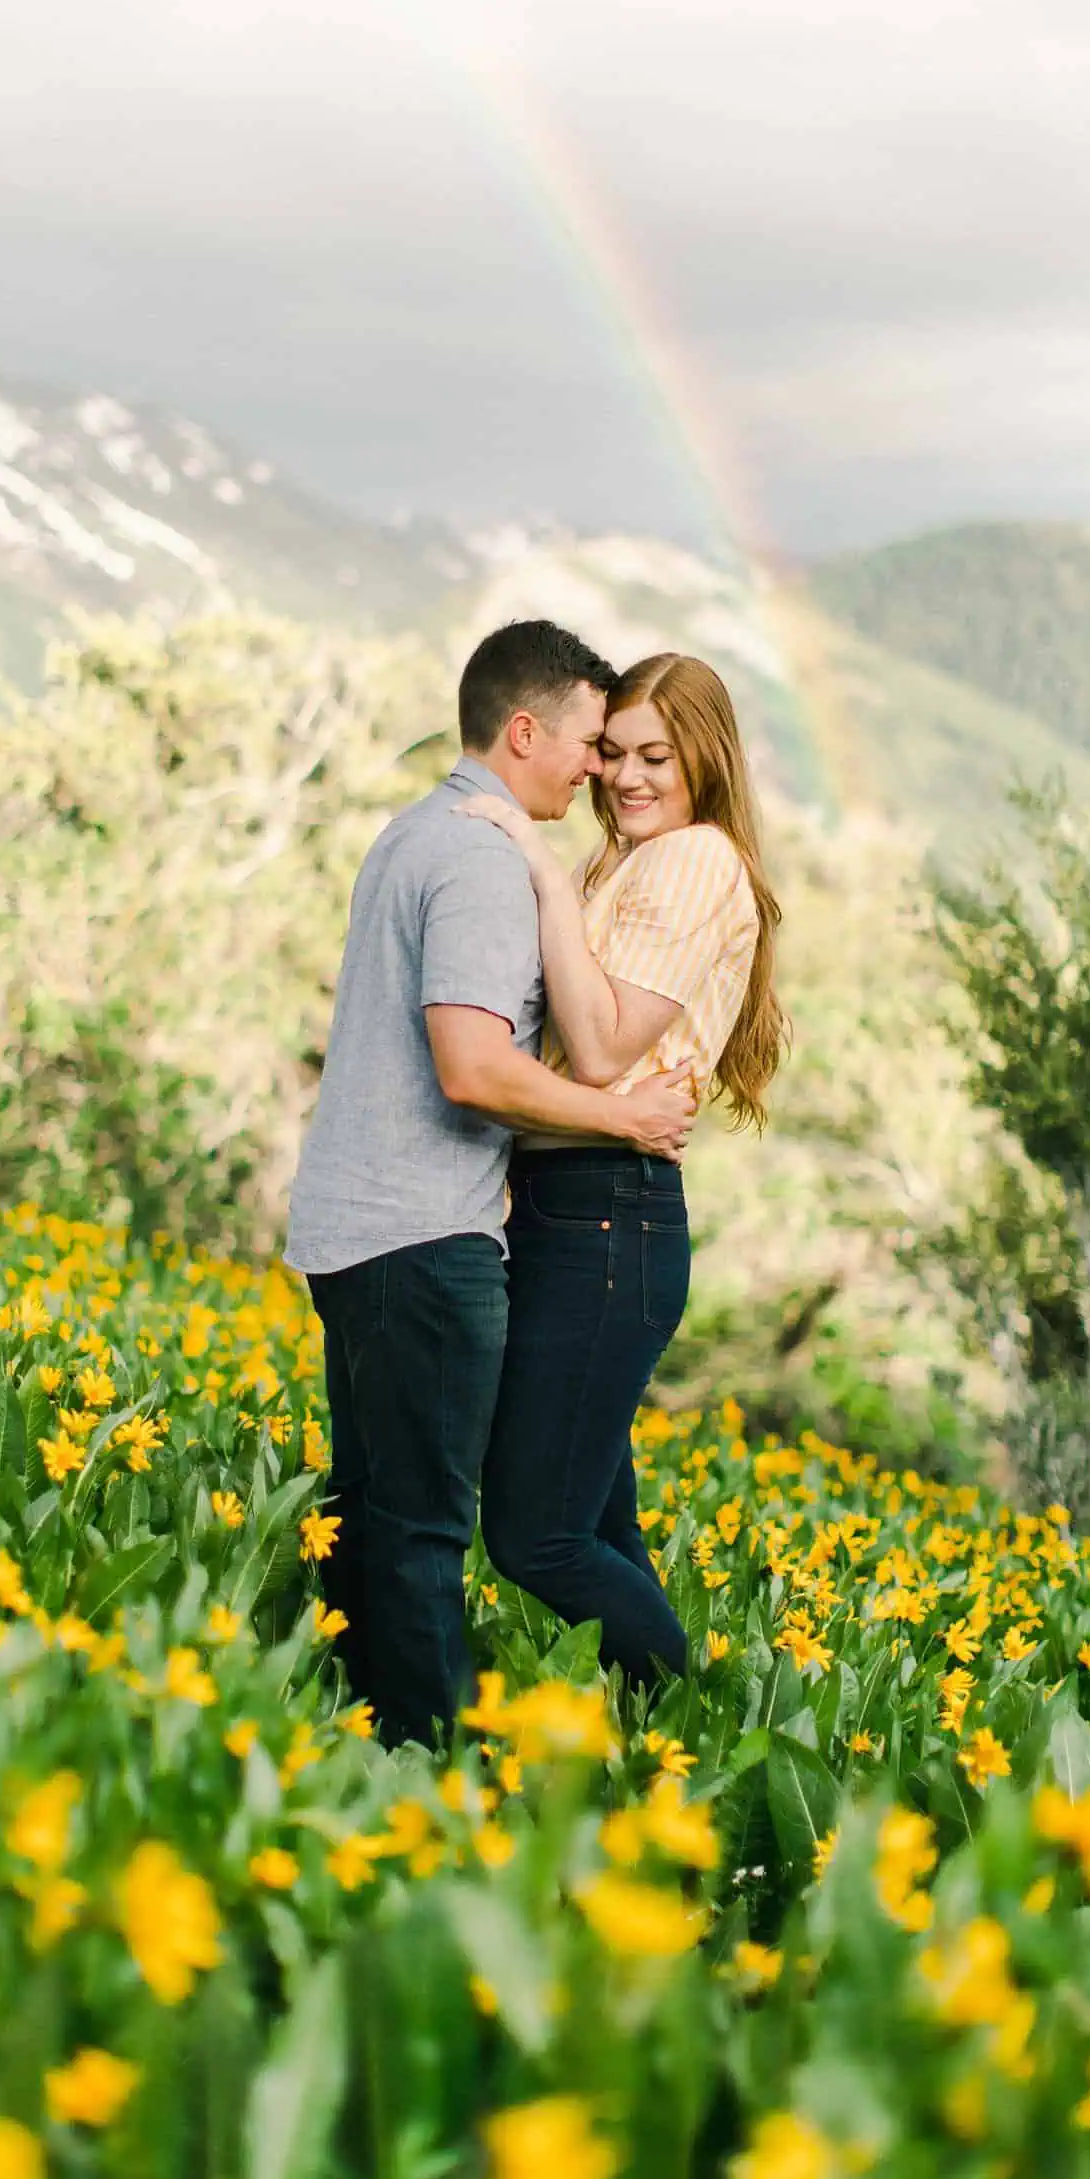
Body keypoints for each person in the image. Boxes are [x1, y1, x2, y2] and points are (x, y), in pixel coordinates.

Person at [285, 620, 697, 1750]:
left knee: (368, 1513)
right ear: (525, 732)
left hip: (356, 1228)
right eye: (587, 744)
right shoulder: (477, 858)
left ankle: (345, 1739)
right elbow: (470, 1068)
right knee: (419, 1532)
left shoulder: (416, 830)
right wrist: (622, 1113)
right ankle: (428, 1770)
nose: (598, 770)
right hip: (421, 1234)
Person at [459, 651, 787, 1687]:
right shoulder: (626, 863)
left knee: (534, 1537)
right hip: (571, 1209)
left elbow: (600, 1050)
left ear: (705, 762)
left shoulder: (690, 860)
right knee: (594, 1523)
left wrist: (540, 870)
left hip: (606, 1222)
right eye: (611, 751)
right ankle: (654, 1749)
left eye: (658, 755)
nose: (628, 775)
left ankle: (693, 1707)